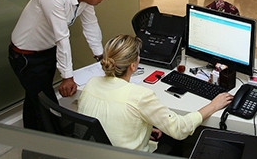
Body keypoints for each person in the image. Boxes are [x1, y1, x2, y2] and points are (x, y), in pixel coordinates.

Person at [78, 35, 232, 154]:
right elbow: (180, 129)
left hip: (94, 153)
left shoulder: (91, 83)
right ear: (133, 65)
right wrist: (213, 105)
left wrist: (142, 128)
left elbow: (108, 118)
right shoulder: (140, 96)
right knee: (174, 141)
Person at [9, 0, 110, 131]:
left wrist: (100, 57)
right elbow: (62, 37)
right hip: (26, 55)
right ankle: (57, 143)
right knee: (48, 107)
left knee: (35, 100)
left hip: (47, 50)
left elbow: (90, 24)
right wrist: (67, 76)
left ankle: (31, 137)